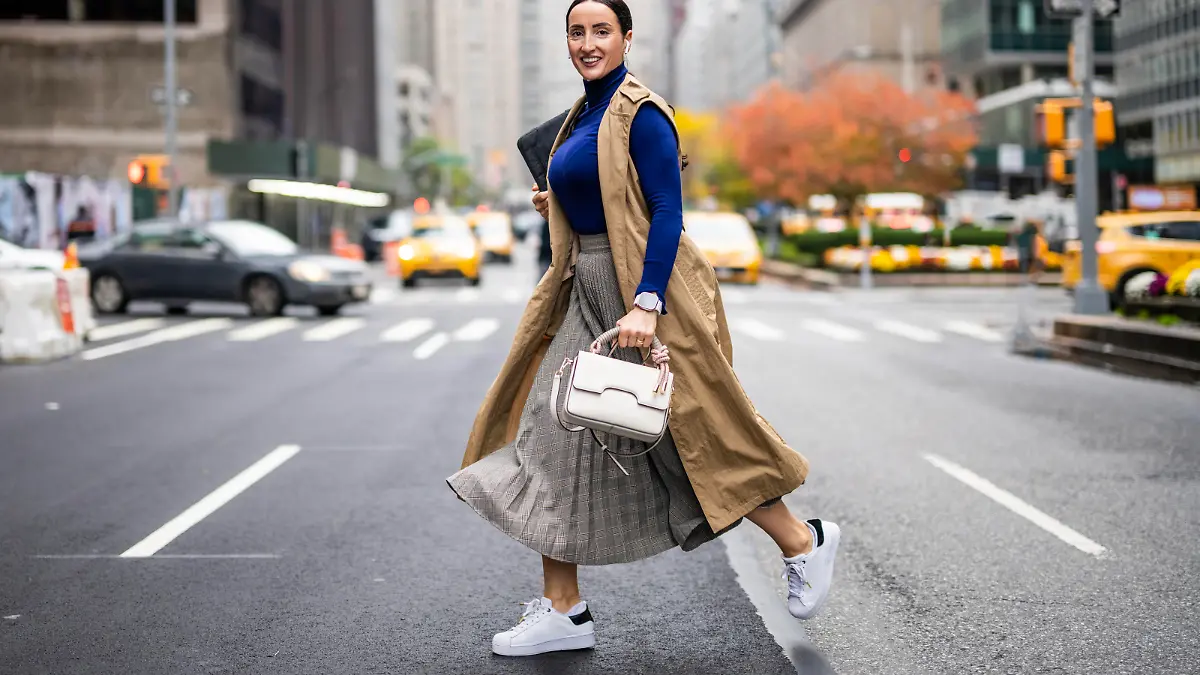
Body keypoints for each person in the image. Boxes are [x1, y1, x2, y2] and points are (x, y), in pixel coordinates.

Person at [446, 0, 840, 657]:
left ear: (627, 37)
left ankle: (803, 540)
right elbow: (607, 194)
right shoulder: (583, 115)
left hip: (642, 292)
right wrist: (559, 199)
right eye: (577, 32)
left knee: (695, 437)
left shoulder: (641, 112)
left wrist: (648, 302)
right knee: (551, 435)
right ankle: (562, 608)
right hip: (588, 289)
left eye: (601, 31)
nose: (588, 42)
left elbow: (665, 210)